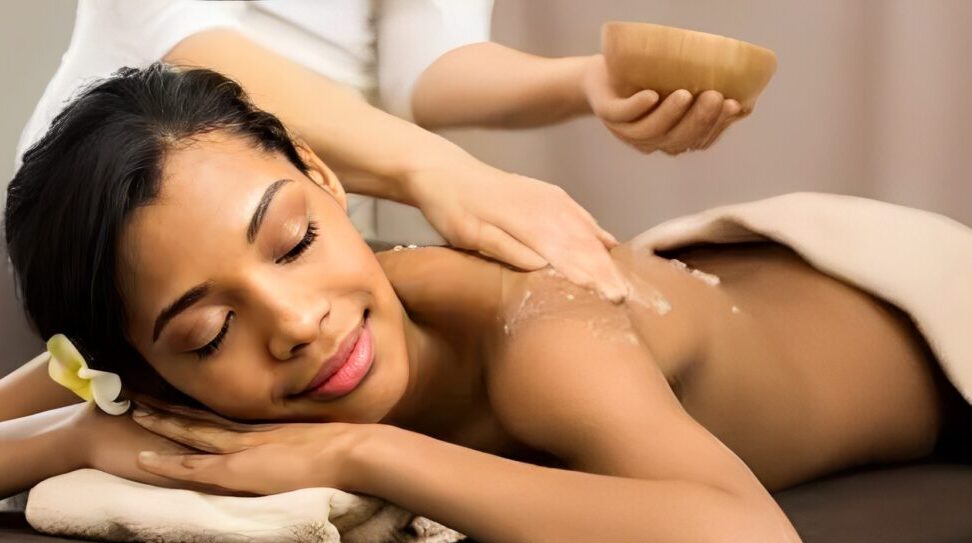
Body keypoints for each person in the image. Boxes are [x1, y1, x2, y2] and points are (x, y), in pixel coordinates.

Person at [5, 65, 967, 543]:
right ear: (145, 365)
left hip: (916, 298)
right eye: (209, 334)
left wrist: (369, 456)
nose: (298, 322)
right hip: (715, 275)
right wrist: (83, 435)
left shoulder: (536, 332)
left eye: (294, 240)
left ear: (323, 177)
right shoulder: (175, 344)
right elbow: (57, 404)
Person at [0, 0, 748, 426]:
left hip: (287, 233)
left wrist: (583, 82)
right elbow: (185, 43)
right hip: (105, 228)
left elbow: (422, 65)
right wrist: (438, 172)